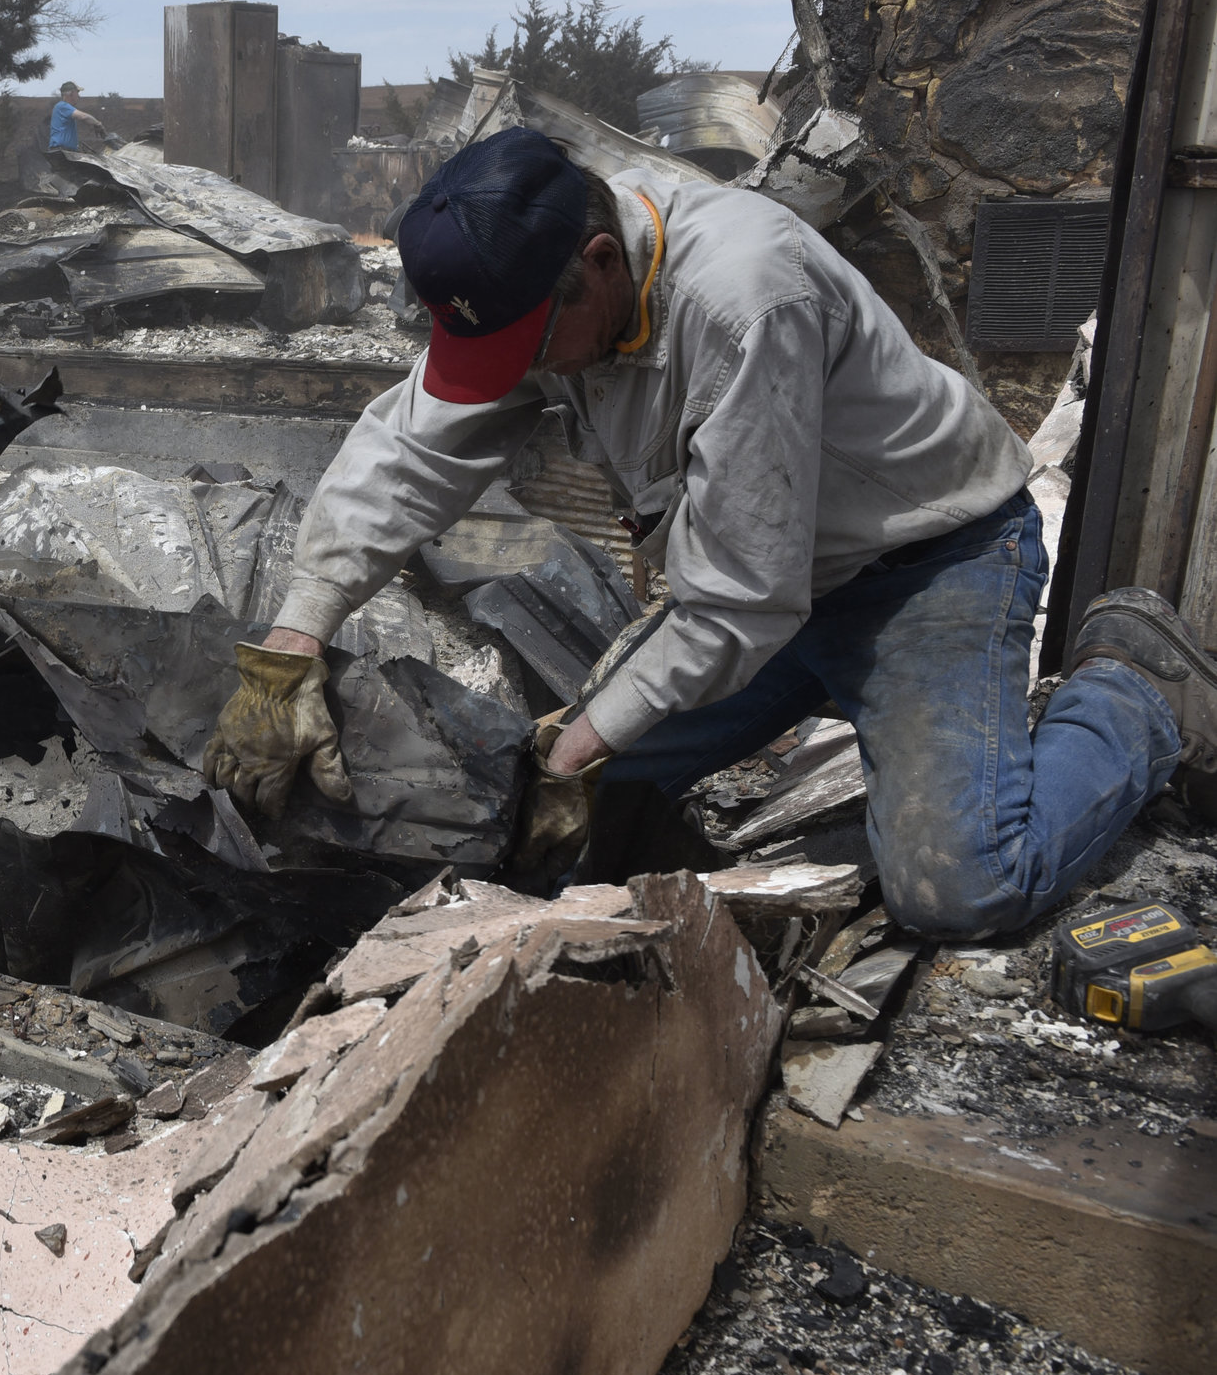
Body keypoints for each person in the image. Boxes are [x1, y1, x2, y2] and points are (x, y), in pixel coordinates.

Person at [201, 125, 1217, 939]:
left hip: (927, 569)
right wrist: (290, 646)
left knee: (959, 892)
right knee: (578, 793)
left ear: (599, 261)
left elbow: (741, 595)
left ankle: (1132, 692)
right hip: (767, 586)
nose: (510, 374)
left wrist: (579, 744)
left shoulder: (742, 300)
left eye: (526, 347)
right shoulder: (531, 279)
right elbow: (407, 452)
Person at [48, 82, 113, 152]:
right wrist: (98, 124)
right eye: (77, 93)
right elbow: (83, 116)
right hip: (61, 151)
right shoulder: (62, 106)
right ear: (71, 93)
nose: (79, 96)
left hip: (63, 151)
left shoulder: (63, 108)